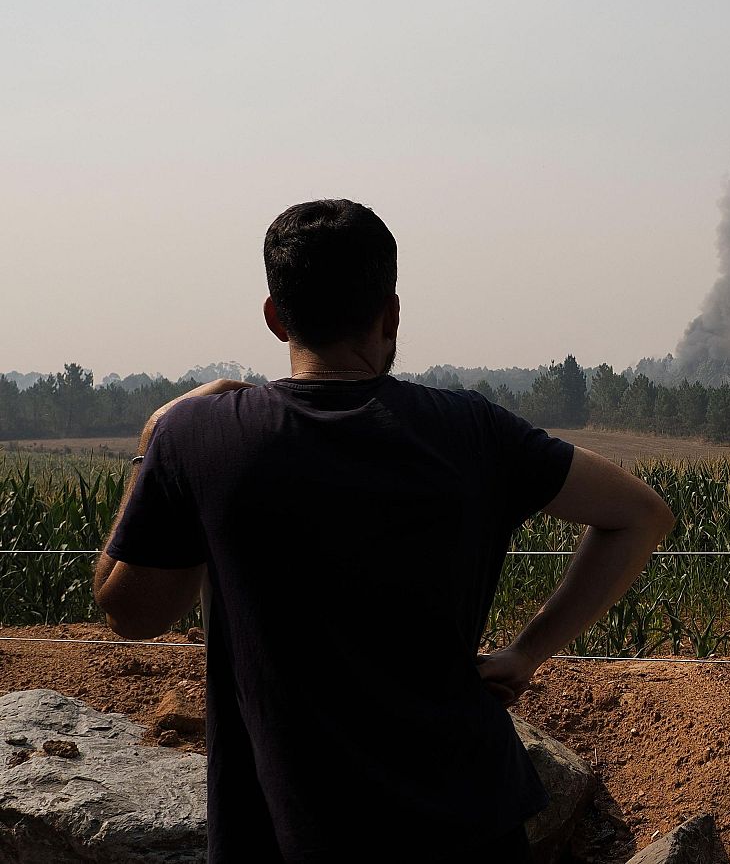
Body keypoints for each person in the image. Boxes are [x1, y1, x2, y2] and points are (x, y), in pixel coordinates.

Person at [91, 199, 674, 862]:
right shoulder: (474, 431)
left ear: (275, 317)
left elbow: (131, 613)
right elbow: (641, 515)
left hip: (286, 831)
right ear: (391, 314)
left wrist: (152, 441)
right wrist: (526, 652)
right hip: (469, 823)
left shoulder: (202, 436)